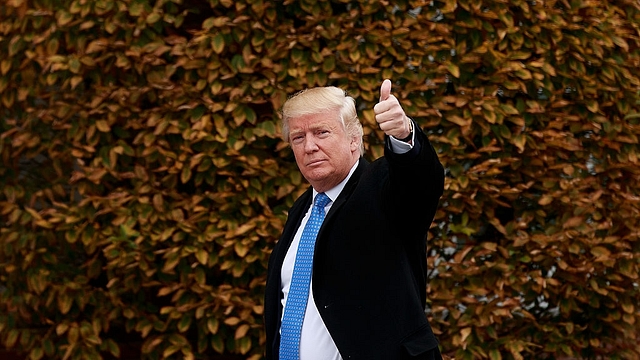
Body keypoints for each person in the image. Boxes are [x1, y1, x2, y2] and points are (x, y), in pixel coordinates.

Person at [264, 79, 445, 360]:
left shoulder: (381, 188)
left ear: (353, 138)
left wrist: (403, 134)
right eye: (298, 137)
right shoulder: (302, 210)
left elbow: (420, 183)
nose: (309, 146)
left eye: (321, 132)